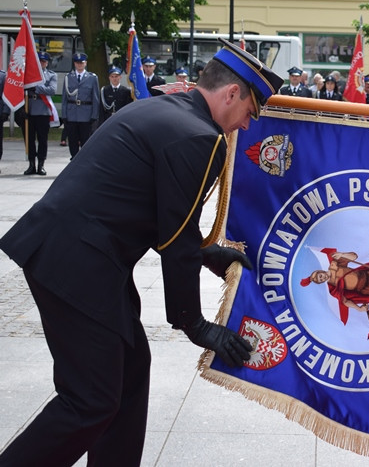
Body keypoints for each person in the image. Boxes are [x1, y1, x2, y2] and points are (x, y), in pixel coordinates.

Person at [0, 38, 284, 466]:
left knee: (131, 371)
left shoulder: (162, 109)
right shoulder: (201, 137)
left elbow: (154, 211)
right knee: (90, 401)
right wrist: (193, 323)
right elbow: (175, 243)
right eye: (249, 111)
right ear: (231, 94)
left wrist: (206, 254)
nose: (246, 124)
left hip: (75, 252)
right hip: (78, 263)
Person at [21, 51, 58, 175]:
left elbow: (52, 90)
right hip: (29, 109)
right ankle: (31, 164)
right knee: (29, 139)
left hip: (43, 111)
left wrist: (36, 87)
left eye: (44, 61)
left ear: (47, 63)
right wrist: (22, 109)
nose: (41, 63)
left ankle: (41, 164)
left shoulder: (51, 75)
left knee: (42, 140)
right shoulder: (28, 74)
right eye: (39, 61)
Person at [61, 52, 101, 158]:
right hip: (71, 114)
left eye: (82, 63)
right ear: (74, 64)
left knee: (85, 141)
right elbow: (64, 98)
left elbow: (95, 98)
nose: (80, 65)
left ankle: (83, 162)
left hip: (86, 115)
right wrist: (64, 115)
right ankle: (74, 160)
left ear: (85, 63)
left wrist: (94, 116)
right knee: (72, 141)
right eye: (77, 63)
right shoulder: (68, 77)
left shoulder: (92, 78)